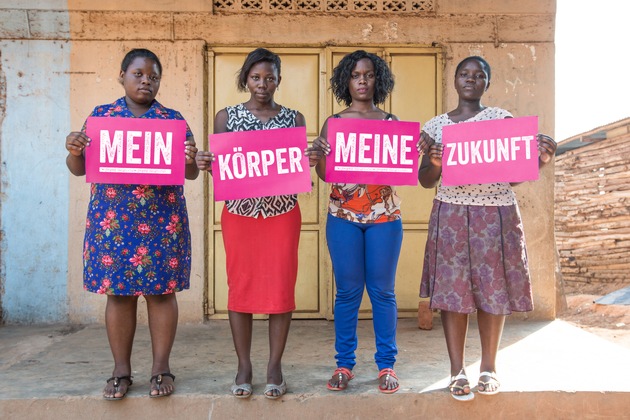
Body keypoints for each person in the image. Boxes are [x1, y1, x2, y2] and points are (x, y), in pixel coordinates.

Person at [418, 55, 557, 401]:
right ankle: (456, 371)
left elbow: (514, 176)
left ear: (487, 83)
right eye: (464, 74)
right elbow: (425, 180)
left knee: (492, 290)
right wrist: (435, 163)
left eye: (478, 75)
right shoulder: (435, 127)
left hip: (495, 212)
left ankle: (488, 368)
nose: (470, 79)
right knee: (453, 293)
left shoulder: (500, 120)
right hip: (450, 213)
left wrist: (540, 160)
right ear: (455, 80)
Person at [65, 48, 199, 400]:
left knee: (161, 293)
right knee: (119, 294)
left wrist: (189, 158)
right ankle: (120, 371)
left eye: (153, 76)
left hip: (162, 221)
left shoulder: (172, 120)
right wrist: (74, 150)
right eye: (138, 74)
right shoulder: (101, 117)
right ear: (122, 76)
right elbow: (79, 168)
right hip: (113, 222)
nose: (146, 81)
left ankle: (161, 369)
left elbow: (190, 173)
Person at [306, 50, 429, 394]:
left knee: (382, 292)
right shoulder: (334, 123)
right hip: (342, 217)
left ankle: (387, 365)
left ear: (378, 80)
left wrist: (417, 148)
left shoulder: (391, 122)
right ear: (346, 80)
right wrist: (317, 157)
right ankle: (344, 364)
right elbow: (326, 174)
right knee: (347, 292)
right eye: (355, 75)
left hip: (384, 217)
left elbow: (403, 169)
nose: (362, 81)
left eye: (369, 75)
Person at [195, 48, 306, 400]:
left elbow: (297, 166)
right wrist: (207, 163)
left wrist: (311, 158)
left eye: (270, 78)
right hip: (240, 215)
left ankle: (274, 367)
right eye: (256, 77)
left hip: (282, 214)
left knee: (281, 288)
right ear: (246, 79)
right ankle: (244, 367)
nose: (263, 84)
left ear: (279, 80)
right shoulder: (226, 117)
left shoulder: (294, 118)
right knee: (240, 287)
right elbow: (221, 172)